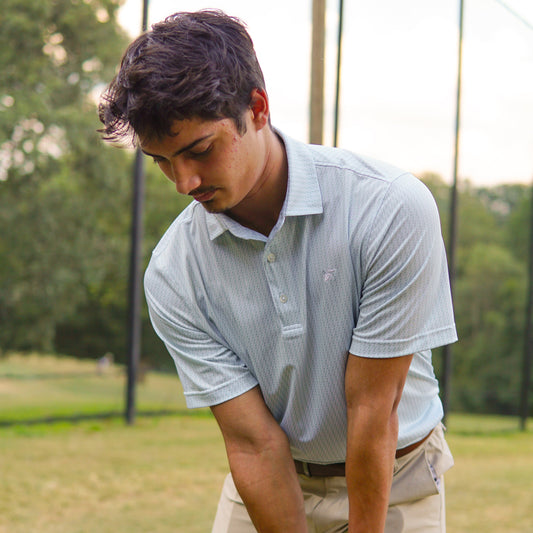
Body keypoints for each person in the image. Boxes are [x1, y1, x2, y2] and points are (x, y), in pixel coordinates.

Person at [99, 10, 458, 533]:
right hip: (269, 476)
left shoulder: (389, 208)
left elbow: (373, 411)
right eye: (162, 161)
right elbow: (253, 442)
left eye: (200, 150)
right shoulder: (173, 273)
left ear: (258, 108)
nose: (183, 182)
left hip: (399, 476)